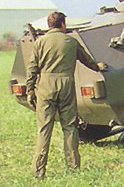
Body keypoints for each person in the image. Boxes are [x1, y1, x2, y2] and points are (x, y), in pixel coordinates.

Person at [26, 11, 108, 179]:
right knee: (70, 127)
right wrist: (98, 67)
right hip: (66, 86)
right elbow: (87, 61)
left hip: (45, 87)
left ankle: (39, 171)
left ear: (49, 25)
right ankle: (73, 167)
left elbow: (32, 68)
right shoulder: (71, 41)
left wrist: (30, 89)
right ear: (63, 24)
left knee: (44, 129)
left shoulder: (40, 42)